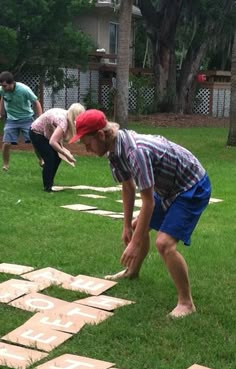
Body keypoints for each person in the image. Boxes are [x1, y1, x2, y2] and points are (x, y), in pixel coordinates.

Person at [70, 109, 211, 318]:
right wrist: (126, 225)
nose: (87, 149)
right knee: (138, 227)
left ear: (101, 135)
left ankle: (186, 303)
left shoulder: (134, 151)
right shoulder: (114, 153)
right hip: (168, 188)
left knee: (164, 244)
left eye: (87, 142)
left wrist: (135, 243)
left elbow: (147, 201)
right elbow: (128, 187)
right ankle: (132, 272)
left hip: (191, 185)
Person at [29, 103, 85, 192]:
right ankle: (47, 187)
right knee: (50, 158)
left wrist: (62, 152)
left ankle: (49, 183)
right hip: (36, 133)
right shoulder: (64, 121)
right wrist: (66, 154)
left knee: (57, 158)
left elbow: (57, 137)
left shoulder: (66, 115)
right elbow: (52, 142)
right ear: (75, 115)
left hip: (45, 133)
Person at [0, 71, 42, 171]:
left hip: (26, 119)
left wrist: (40, 118)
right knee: (6, 143)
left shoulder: (24, 89)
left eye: (5, 86)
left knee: (35, 142)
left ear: (11, 83)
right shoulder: (3, 90)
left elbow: (36, 102)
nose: (3, 88)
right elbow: (3, 98)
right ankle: (6, 165)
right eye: (1, 85)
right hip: (11, 120)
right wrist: (1, 112)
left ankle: (41, 160)